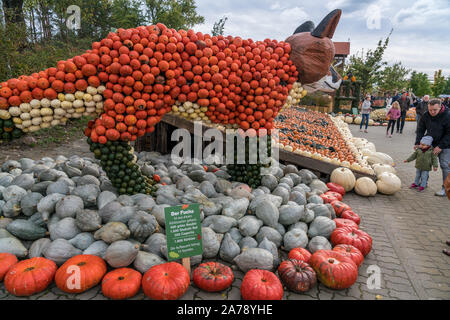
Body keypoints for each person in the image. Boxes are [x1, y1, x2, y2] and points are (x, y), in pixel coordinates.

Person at [415, 99, 450, 196]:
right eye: (430, 110)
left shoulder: (447, 115)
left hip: (446, 145)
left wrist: (441, 146)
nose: (432, 112)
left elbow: (449, 133)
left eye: (435, 110)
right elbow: (420, 129)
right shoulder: (426, 115)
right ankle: (423, 183)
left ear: (440, 107)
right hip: (430, 143)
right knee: (425, 162)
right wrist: (418, 142)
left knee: (445, 166)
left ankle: (445, 189)